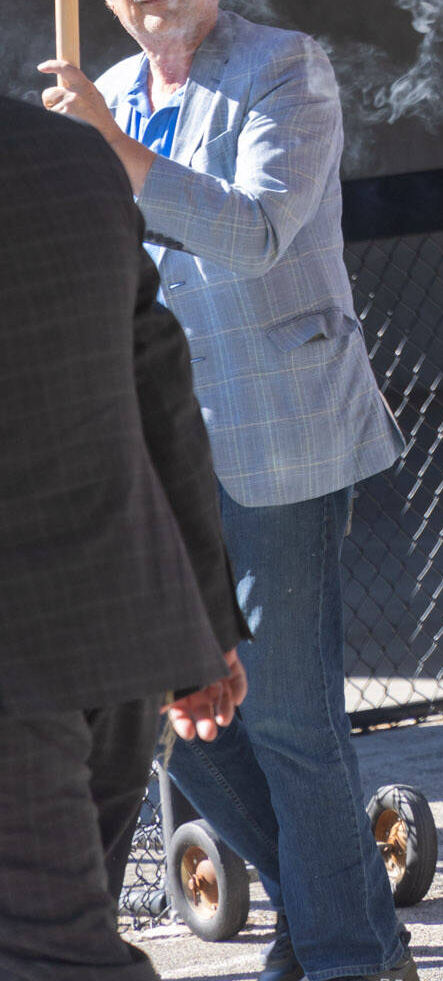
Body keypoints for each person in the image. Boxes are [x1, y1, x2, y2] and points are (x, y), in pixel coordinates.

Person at [39, 0, 413, 981]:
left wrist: (115, 152)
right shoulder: (100, 92)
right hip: (150, 446)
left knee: (291, 720)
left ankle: (350, 953)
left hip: (280, 433)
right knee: (177, 721)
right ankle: (326, 911)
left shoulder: (282, 69)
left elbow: (256, 234)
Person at [0, 93, 247, 981]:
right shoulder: (73, 158)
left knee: (54, 956)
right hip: (116, 632)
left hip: (29, 659)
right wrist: (202, 629)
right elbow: (162, 392)